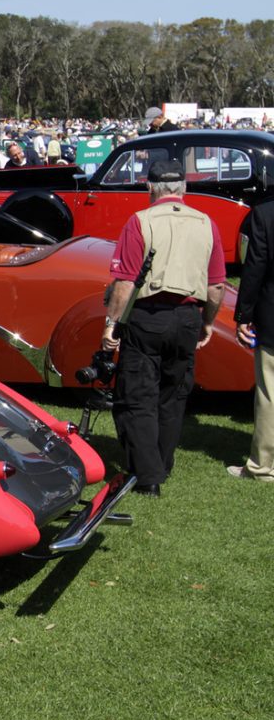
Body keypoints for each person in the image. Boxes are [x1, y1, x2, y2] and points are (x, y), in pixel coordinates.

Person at [102, 159, 225, 497]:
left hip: (148, 315)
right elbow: (216, 286)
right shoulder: (206, 223)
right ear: (183, 188)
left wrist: (112, 324)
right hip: (187, 316)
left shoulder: (140, 221)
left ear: (149, 187)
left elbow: (125, 282)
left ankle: (148, 475)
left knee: (138, 395)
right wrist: (208, 322)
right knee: (173, 395)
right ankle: (161, 462)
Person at [233, 198, 274, 483]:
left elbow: (255, 266)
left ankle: (263, 465)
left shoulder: (265, 213)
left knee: (270, 393)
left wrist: (243, 314)